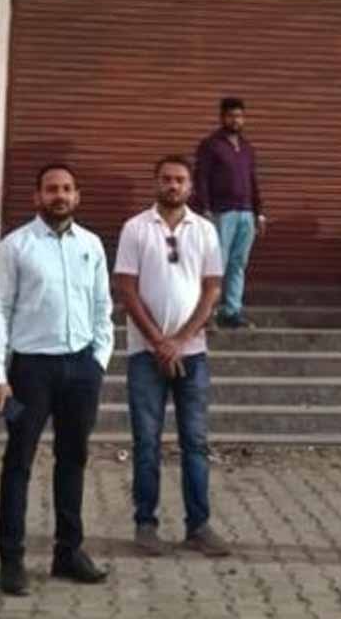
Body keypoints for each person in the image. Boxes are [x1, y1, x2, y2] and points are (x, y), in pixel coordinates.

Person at [0, 164, 113, 596]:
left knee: (73, 459)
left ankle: (68, 552)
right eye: (52, 189)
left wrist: (99, 360)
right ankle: (11, 559)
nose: (60, 195)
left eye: (67, 189)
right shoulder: (15, 246)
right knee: (18, 462)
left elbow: (102, 306)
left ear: (77, 196)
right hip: (30, 372)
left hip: (81, 369)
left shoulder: (91, 245)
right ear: (37, 197)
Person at [115, 155, 231, 558]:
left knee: (194, 442)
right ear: (155, 183)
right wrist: (158, 342)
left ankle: (198, 526)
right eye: (166, 178)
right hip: (144, 355)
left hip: (192, 355)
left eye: (180, 179)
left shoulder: (205, 230)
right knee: (146, 442)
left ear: (190, 186)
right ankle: (145, 525)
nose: (173, 185)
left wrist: (180, 341)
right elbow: (127, 289)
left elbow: (212, 289)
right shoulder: (135, 228)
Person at [193, 97, 266, 329]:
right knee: (217, 264)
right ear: (222, 117)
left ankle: (232, 312)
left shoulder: (246, 148)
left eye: (240, 116)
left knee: (238, 263)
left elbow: (253, 181)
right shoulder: (211, 145)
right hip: (221, 212)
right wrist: (205, 209)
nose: (236, 120)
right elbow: (201, 178)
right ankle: (207, 313)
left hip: (246, 213)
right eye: (231, 116)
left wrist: (259, 212)